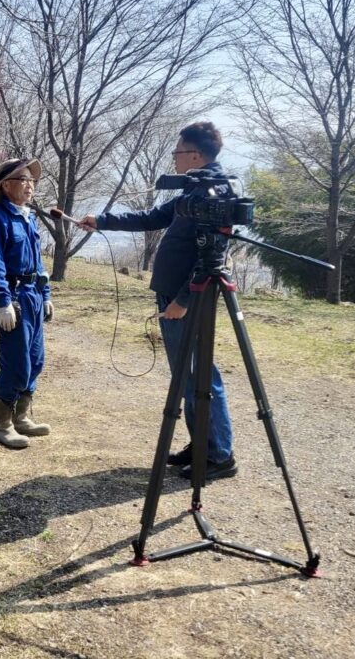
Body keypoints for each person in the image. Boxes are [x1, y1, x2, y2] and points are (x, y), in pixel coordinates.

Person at [78, 122, 237, 480]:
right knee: (187, 376)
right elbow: (152, 218)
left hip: (189, 297)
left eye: (177, 152)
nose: (174, 159)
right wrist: (102, 220)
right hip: (175, 294)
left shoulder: (214, 193)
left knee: (199, 374)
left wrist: (182, 299)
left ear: (195, 154)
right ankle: (203, 446)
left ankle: (219, 456)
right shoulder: (191, 191)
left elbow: (210, 257)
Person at [0, 158, 54, 449]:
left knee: (36, 360)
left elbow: (39, 261)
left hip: (33, 295)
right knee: (16, 363)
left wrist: (46, 295)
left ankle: (21, 417)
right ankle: (3, 425)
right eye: (23, 179)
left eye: (32, 180)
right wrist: (1, 301)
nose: (30, 185)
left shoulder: (28, 217)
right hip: (14, 298)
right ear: (6, 185)